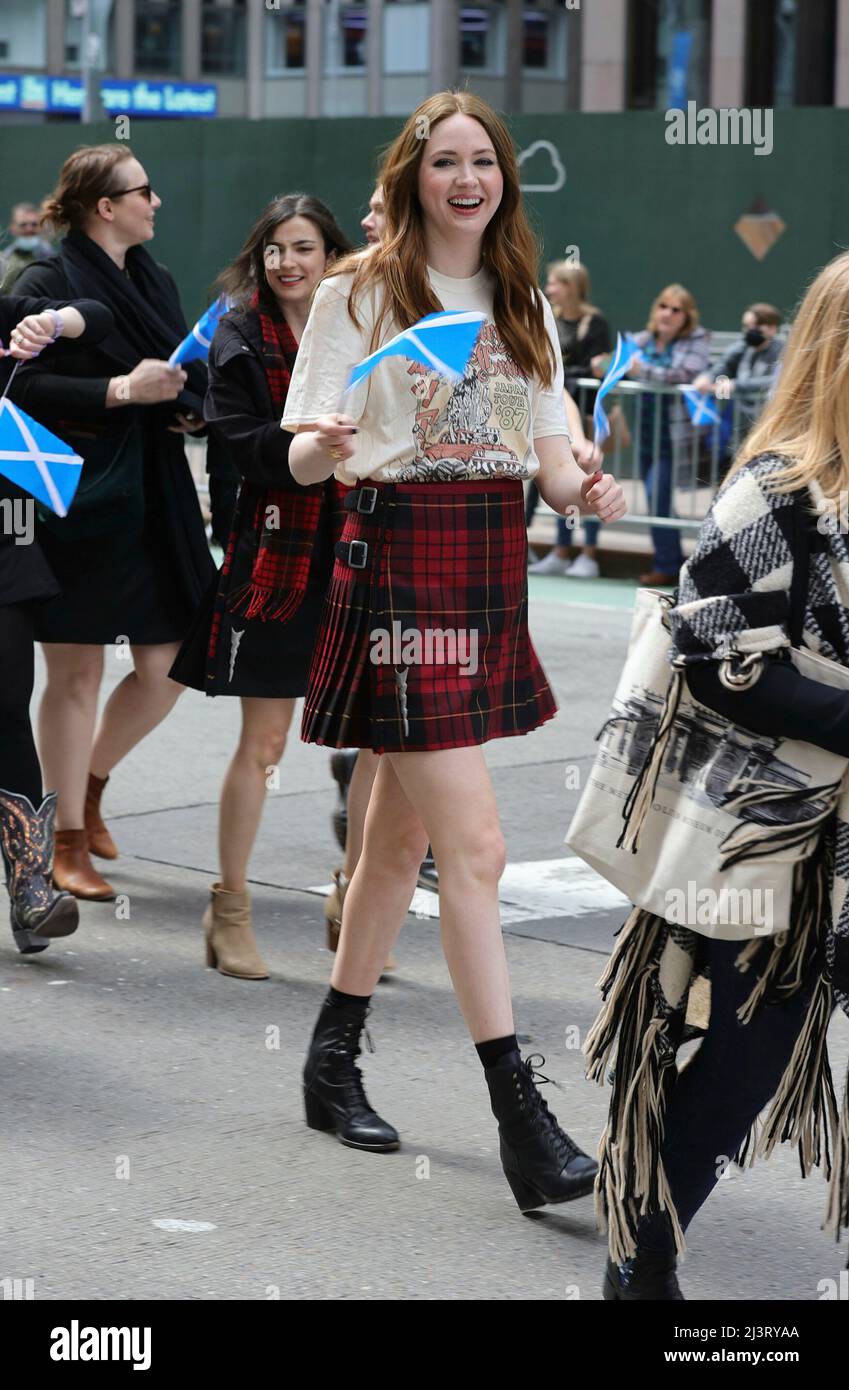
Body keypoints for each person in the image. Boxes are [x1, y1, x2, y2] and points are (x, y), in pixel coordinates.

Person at [282, 91, 626, 1208]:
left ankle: (330, 1062)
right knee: (470, 846)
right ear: (413, 176)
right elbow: (302, 452)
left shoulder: (523, 298)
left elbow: (556, 466)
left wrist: (589, 482)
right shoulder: (358, 291)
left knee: (393, 845)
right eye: (445, 162)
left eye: (483, 161)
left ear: (503, 182)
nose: (466, 179)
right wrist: (322, 444)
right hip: (393, 567)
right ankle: (517, 1112)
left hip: (486, 564)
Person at [593, 251, 849, 1301]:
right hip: (771, 834)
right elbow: (716, 653)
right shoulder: (778, 485)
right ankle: (641, 1255)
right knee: (745, 1060)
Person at [10, 143, 216, 900]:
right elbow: (22, 387)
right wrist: (122, 393)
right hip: (77, 498)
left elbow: (176, 366)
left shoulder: (152, 278)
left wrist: (188, 405)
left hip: (153, 491)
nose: (154, 202)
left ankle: (88, 787)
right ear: (106, 205)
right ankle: (61, 841)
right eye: (143, 190)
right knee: (77, 671)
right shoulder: (47, 279)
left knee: (171, 661)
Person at [169, 194, 354, 978]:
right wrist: (306, 444)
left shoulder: (361, 325)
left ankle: (354, 897)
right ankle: (231, 905)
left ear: (328, 254)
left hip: (356, 544)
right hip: (274, 552)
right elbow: (238, 442)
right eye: (276, 247)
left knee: (374, 740)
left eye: (303, 247)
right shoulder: (239, 331)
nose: (288, 261)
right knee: (267, 742)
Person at [0, 296, 113, 952]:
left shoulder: (8, 313)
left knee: (8, 703)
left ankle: (31, 886)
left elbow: (96, 317)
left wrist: (54, 323)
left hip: (6, 538)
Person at [593, 284, 710, 588]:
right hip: (645, 433)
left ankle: (668, 564)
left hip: (674, 437)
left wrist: (639, 368)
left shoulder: (696, 340)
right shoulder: (641, 340)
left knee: (658, 499)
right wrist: (602, 364)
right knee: (657, 501)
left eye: (676, 309)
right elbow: (615, 365)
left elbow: (683, 374)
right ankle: (680, 561)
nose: (667, 314)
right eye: (663, 306)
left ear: (687, 316)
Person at [529, 261, 612, 579]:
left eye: (556, 283)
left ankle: (588, 553)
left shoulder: (594, 322)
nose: (549, 289)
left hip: (589, 415)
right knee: (556, 476)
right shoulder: (548, 318)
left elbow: (599, 368)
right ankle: (561, 550)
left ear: (572, 286)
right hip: (554, 414)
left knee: (591, 479)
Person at [693, 301, 783, 432]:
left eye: (756, 326)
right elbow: (723, 365)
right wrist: (707, 378)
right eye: (746, 326)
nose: (750, 331)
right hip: (739, 425)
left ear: (772, 328)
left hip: (768, 424)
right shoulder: (742, 348)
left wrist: (735, 384)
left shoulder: (783, 351)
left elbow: (777, 380)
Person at [0, 204, 53, 294]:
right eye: (23, 225)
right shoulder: (4, 261)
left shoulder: (51, 259)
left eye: (34, 224)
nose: (29, 229)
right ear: (13, 228)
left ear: (40, 227)